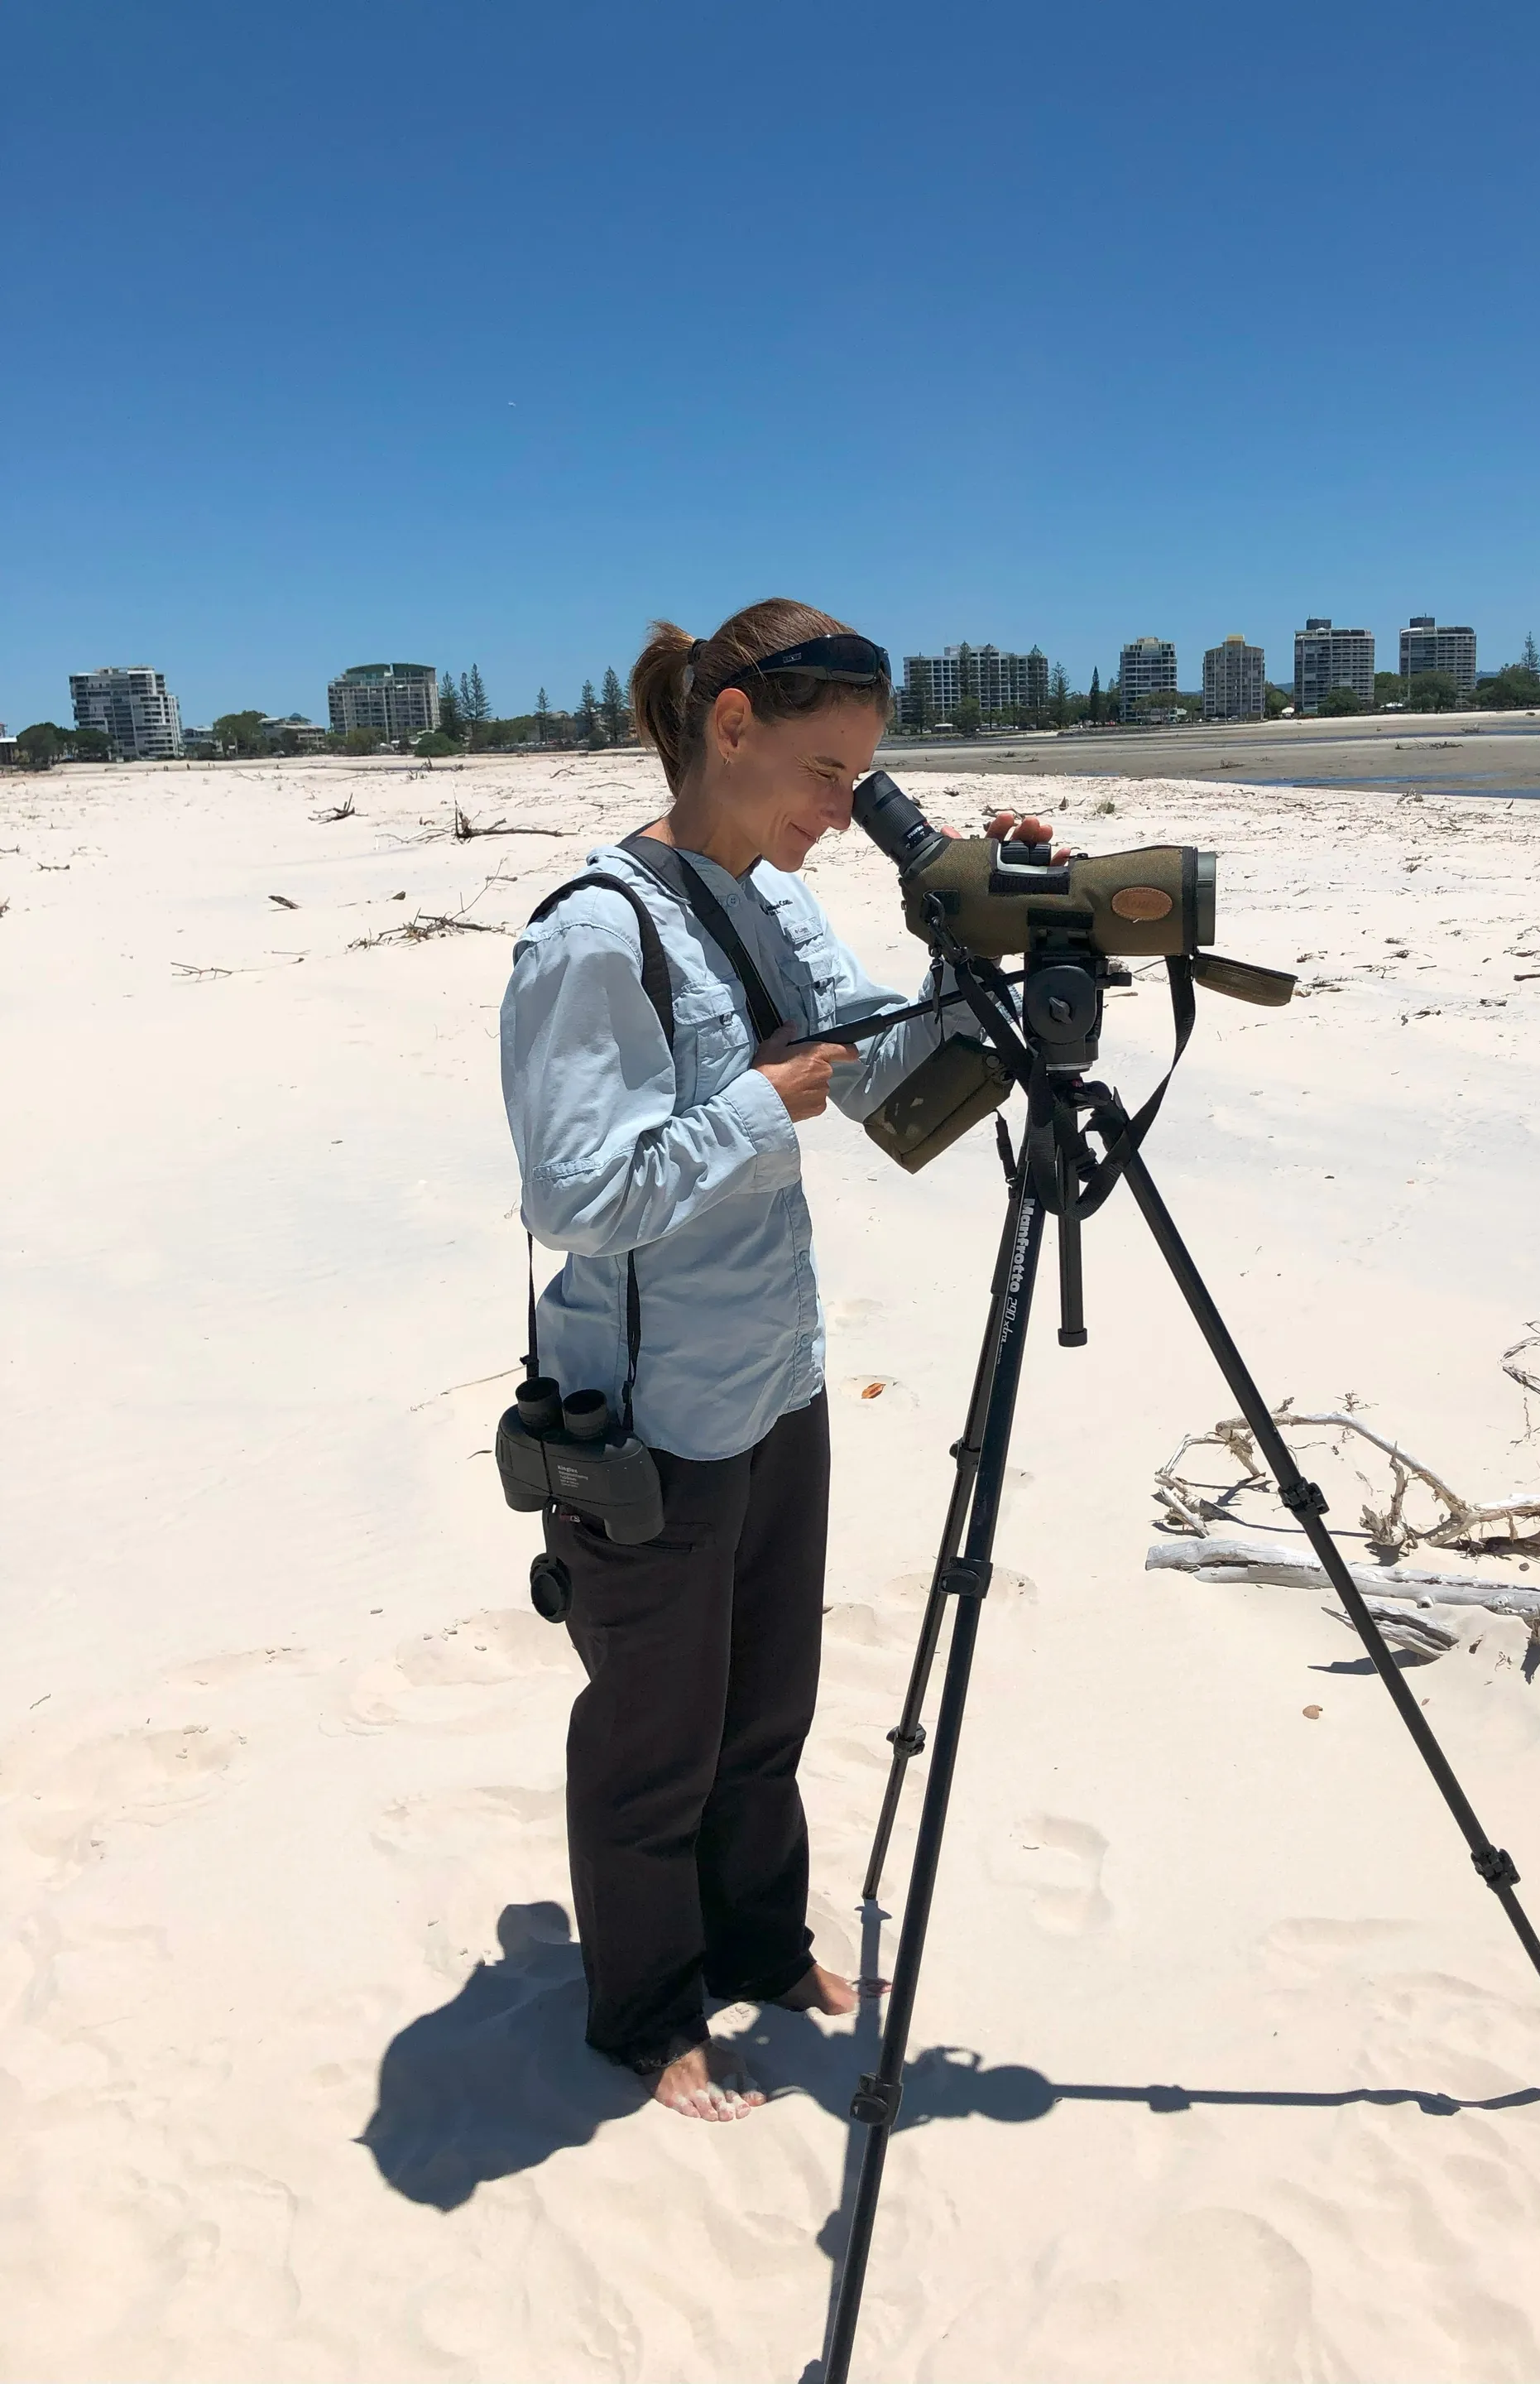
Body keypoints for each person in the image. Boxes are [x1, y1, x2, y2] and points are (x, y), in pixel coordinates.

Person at [500, 599, 1055, 2122]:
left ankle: (760, 1942)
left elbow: (886, 1088)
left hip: (774, 1378)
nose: (840, 812)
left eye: (862, 780)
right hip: (648, 1409)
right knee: (651, 1736)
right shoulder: (596, 935)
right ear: (728, 730)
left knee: (766, 1713)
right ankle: (646, 2015)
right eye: (825, 773)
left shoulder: (778, 901)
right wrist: (765, 1104)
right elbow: (575, 1196)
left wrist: (988, 929)